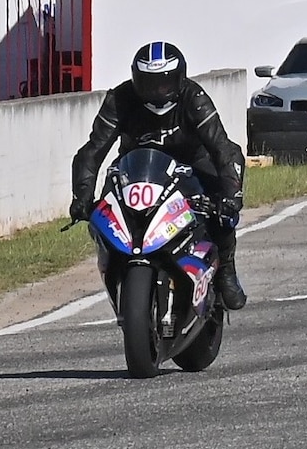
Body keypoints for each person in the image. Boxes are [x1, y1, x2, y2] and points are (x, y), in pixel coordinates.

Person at [69, 42, 248, 310]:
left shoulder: (193, 97)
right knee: (103, 215)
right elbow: (92, 151)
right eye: (149, 83)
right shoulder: (120, 99)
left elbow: (224, 149)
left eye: (164, 83)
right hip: (138, 168)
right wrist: (82, 196)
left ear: (179, 78)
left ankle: (225, 271)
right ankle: (117, 267)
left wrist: (231, 196)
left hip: (192, 164)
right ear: (135, 79)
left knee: (222, 214)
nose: (157, 91)